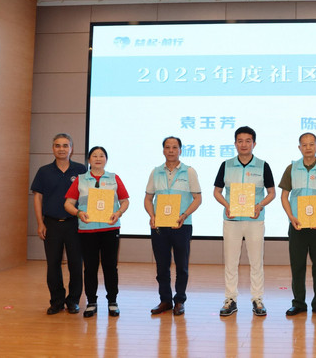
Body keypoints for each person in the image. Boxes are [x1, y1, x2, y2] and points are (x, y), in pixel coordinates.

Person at [214, 126, 276, 317]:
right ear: (235, 144)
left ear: (254, 143)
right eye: (240, 141)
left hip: (254, 221)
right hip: (231, 220)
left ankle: (257, 299)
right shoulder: (226, 165)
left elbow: (272, 193)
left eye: (248, 141)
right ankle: (230, 299)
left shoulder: (263, 165)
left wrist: (260, 205)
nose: (244, 144)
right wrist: (227, 205)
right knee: (230, 262)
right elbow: (217, 191)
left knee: (256, 261)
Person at [63, 146, 130, 318]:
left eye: (101, 156)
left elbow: (125, 201)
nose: (98, 158)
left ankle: (112, 301)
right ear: (89, 160)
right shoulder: (80, 179)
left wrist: (118, 213)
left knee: (110, 266)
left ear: (106, 159)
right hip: (88, 230)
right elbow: (68, 204)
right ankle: (91, 302)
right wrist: (78, 213)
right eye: (94, 156)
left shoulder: (114, 178)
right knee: (90, 267)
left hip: (110, 229)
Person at [279, 133, 316, 317]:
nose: (308, 148)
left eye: (311, 144)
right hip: (297, 225)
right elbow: (284, 196)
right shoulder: (291, 168)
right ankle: (298, 303)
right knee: (297, 266)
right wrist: (291, 216)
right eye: (304, 145)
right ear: (299, 148)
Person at [143, 136, 202, 316]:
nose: (171, 150)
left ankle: (180, 300)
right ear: (163, 150)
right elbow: (148, 199)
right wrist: (152, 215)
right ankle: (165, 300)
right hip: (159, 225)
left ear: (180, 150)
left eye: (174, 147)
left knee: (182, 265)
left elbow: (198, 198)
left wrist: (184, 215)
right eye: (167, 147)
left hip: (181, 225)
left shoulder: (189, 171)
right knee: (162, 265)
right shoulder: (155, 172)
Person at [31, 133, 86, 315]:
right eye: (57, 145)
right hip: (51, 224)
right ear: (52, 148)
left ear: (71, 148)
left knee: (75, 264)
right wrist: (40, 223)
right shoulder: (43, 171)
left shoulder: (81, 170)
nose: (61, 149)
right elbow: (38, 198)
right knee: (53, 264)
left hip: (75, 224)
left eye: (65, 145)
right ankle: (56, 301)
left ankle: (73, 301)